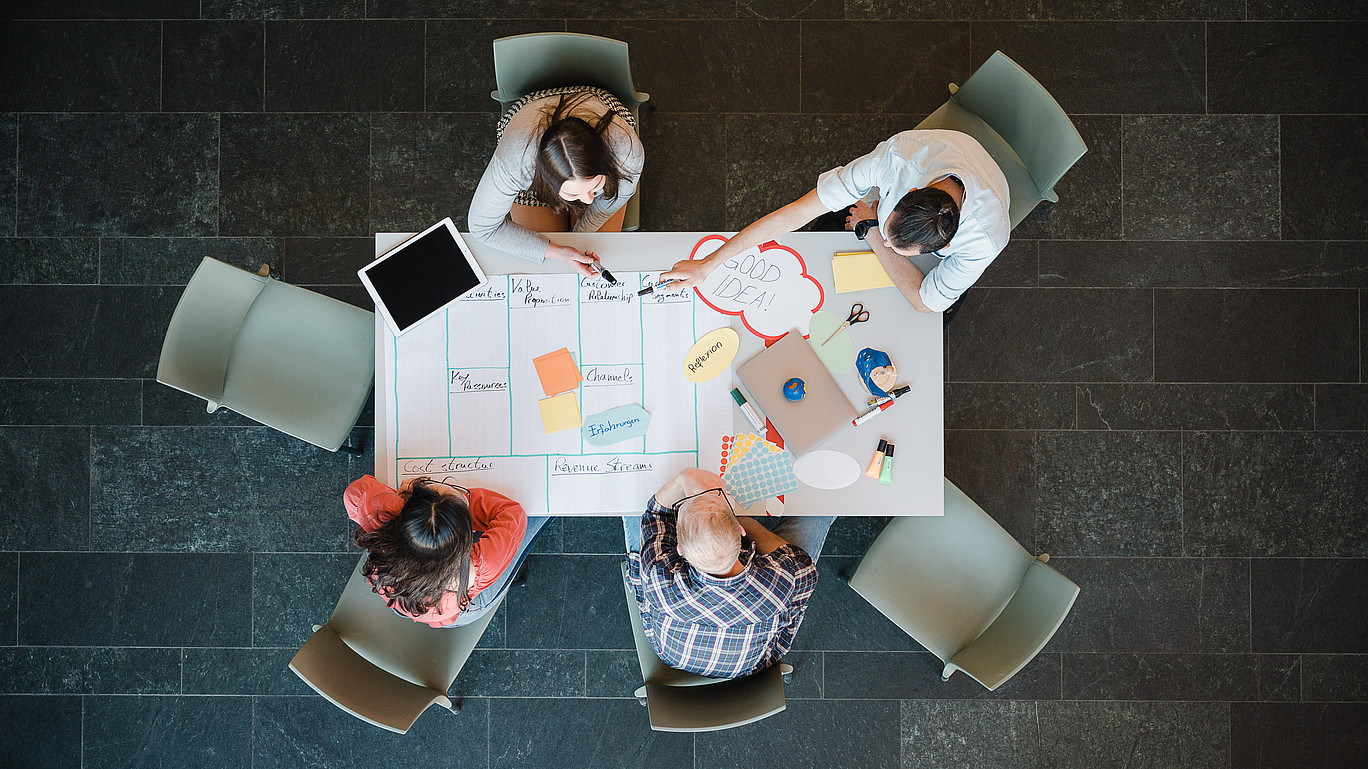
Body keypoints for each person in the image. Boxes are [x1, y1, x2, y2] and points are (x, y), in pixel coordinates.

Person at [662, 129, 1010, 316]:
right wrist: (709, 265)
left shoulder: (986, 240)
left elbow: (923, 303)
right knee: (828, 223)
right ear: (911, 190)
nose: (888, 246)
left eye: (897, 247)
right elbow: (797, 212)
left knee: (939, 314)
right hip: (946, 149)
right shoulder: (896, 157)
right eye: (891, 231)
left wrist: (873, 229)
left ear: (944, 246)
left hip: (971, 188)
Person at [623, 467, 835, 679]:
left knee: (631, 502)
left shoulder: (659, 576)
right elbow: (803, 565)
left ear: (678, 549)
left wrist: (683, 479)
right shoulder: (782, 581)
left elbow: (655, 513)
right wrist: (741, 521)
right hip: (750, 667)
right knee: (823, 504)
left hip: (672, 658)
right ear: (742, 533)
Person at [468, 87, 645, 277]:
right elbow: (482, 228)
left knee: (599, 250)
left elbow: (620, 195)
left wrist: (581, 234)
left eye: (594, 185)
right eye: (572, 194)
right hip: (530, 122)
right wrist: (558, 252)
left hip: (597, 100)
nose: (586, 201)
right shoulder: (517, 162)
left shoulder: (627, 153)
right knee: (546, 267)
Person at [344, 475, 550, 628]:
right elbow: (514, 515)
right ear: (467, 538)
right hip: (455, 607)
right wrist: (464, 500)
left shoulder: (385, 514)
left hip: (403, 596)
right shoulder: (481, 566)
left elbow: (354, 493)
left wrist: (398, 501)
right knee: (544, 509)